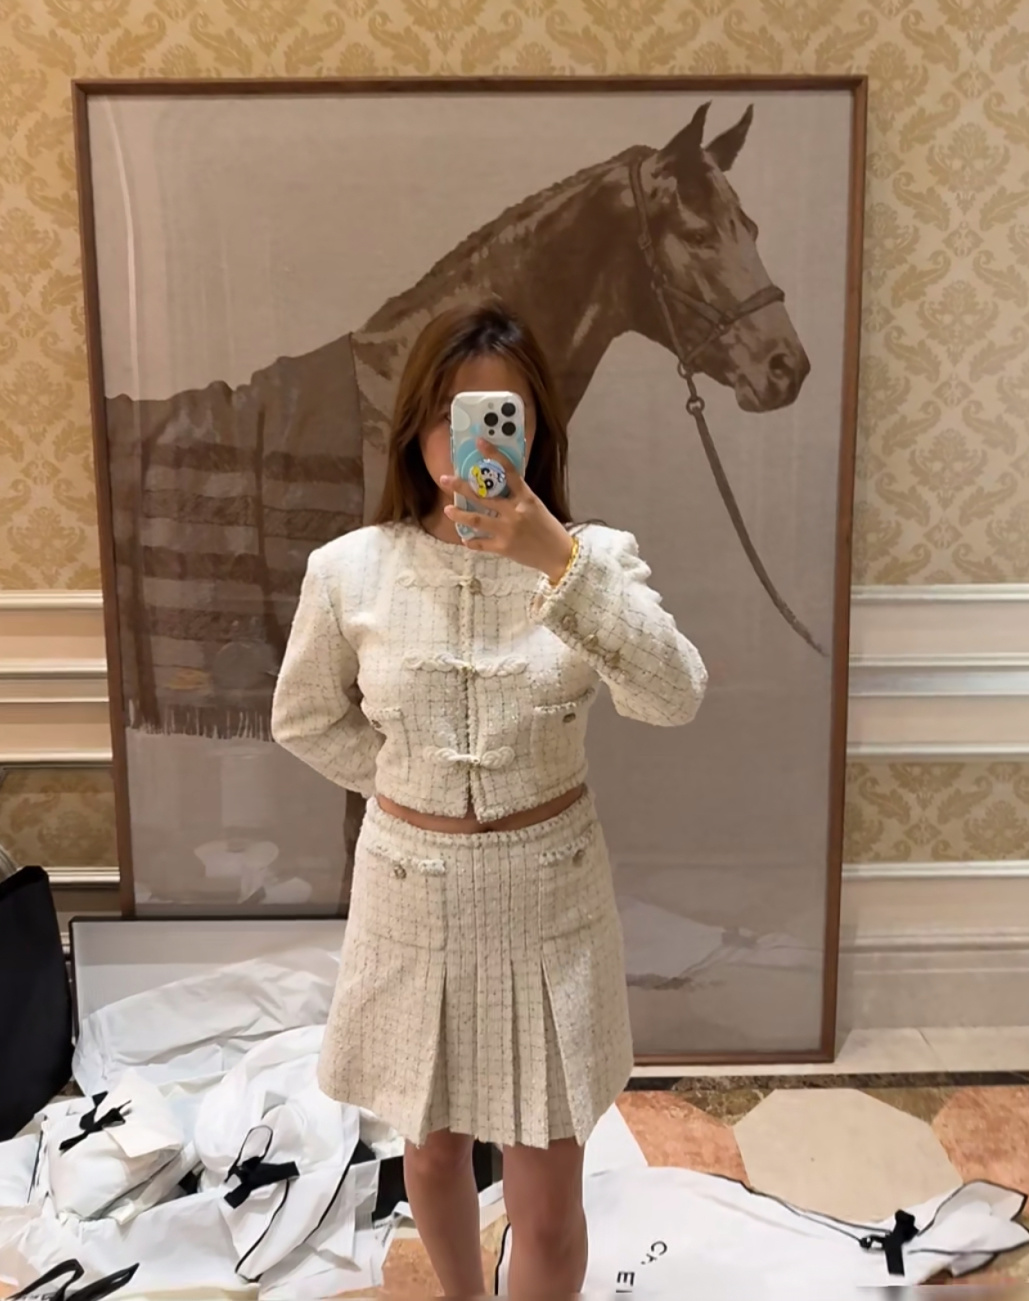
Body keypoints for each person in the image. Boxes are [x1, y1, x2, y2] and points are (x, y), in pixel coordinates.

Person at [271, 300, 707, 1298]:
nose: (469, 440)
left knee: (547, 1196)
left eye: (500, 415)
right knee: (430, 1155)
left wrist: (557, 559)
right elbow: (304, 716)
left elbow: (674, 693)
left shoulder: (595, 557)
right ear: (415, 426)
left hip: (549, 901)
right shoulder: (350, 570)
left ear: (536, 427)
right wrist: (411, 786)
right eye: (449, 415)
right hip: (409, 901)